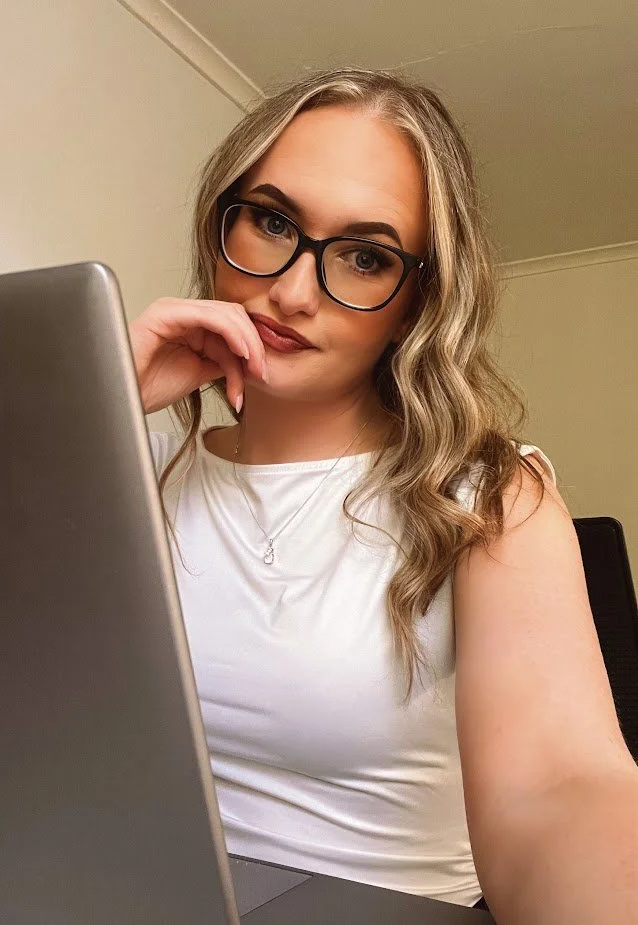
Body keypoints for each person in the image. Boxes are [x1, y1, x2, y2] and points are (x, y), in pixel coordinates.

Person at [128, 68, 638, 921]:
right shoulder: (125, 454)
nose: (291, 290)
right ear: (222, 222)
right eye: (272, 221)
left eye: (366, 256)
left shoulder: (486, 498)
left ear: (414, 304)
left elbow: (563, 787)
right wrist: (87, 393)